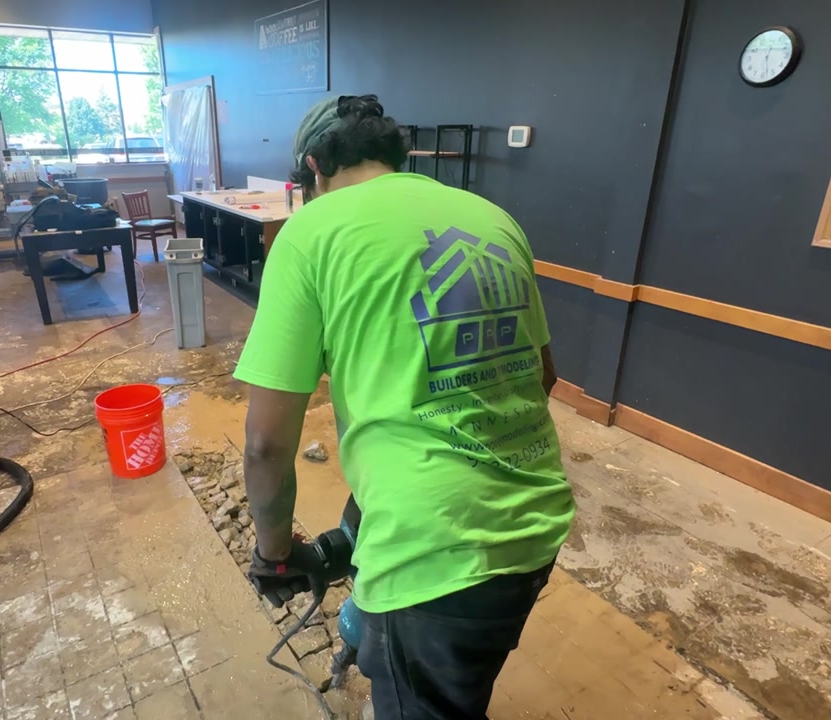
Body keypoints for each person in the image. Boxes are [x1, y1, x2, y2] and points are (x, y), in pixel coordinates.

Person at [236, 95, 576, 719]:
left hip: (434, 560)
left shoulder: (312, 232)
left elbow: (265, 445)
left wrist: (272, 552)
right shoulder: (493, 218)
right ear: (399, 155)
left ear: (314, 167)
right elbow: (542, 375)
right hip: (537, 524)